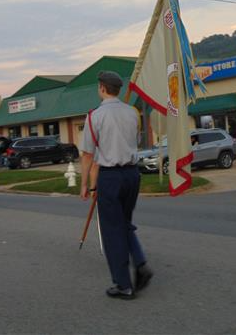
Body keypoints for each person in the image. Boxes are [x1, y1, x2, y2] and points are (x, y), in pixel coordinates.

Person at [80, 70, 153, 300]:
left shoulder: (94, 116)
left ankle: (123, 285)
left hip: (110, 176)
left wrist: (84, 184)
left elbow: (87, 154)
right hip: (132, 174)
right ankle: (140, 262)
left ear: (102, 88)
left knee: (112, 231)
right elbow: (134, 140)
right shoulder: (132, 112)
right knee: (124, 223)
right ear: (118, 89)